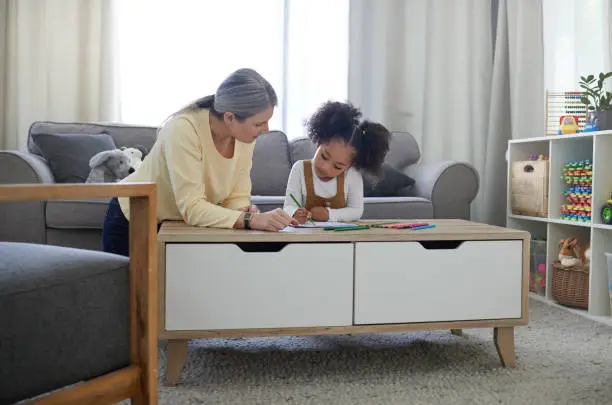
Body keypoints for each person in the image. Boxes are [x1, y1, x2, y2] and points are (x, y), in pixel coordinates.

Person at [103, 68, 295, 256]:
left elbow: (237, 196)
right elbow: (192, 207)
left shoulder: (244, 138)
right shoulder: (183, 129)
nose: (266, 130)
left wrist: (246, 213)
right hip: (134, 219)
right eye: (259, 123)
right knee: (135, 289)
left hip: (176, 225)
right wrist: (249, 219)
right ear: (230, 117)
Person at [283, 101, 391, 224]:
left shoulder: (352, 175)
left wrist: (329, 214)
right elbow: (288, 207)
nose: (326, 168)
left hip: (339, 238)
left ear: (350, 166)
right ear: (319, 142)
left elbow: (356, 210)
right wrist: (294, 212)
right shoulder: (300, 169)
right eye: (324, 156)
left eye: (338, 166)